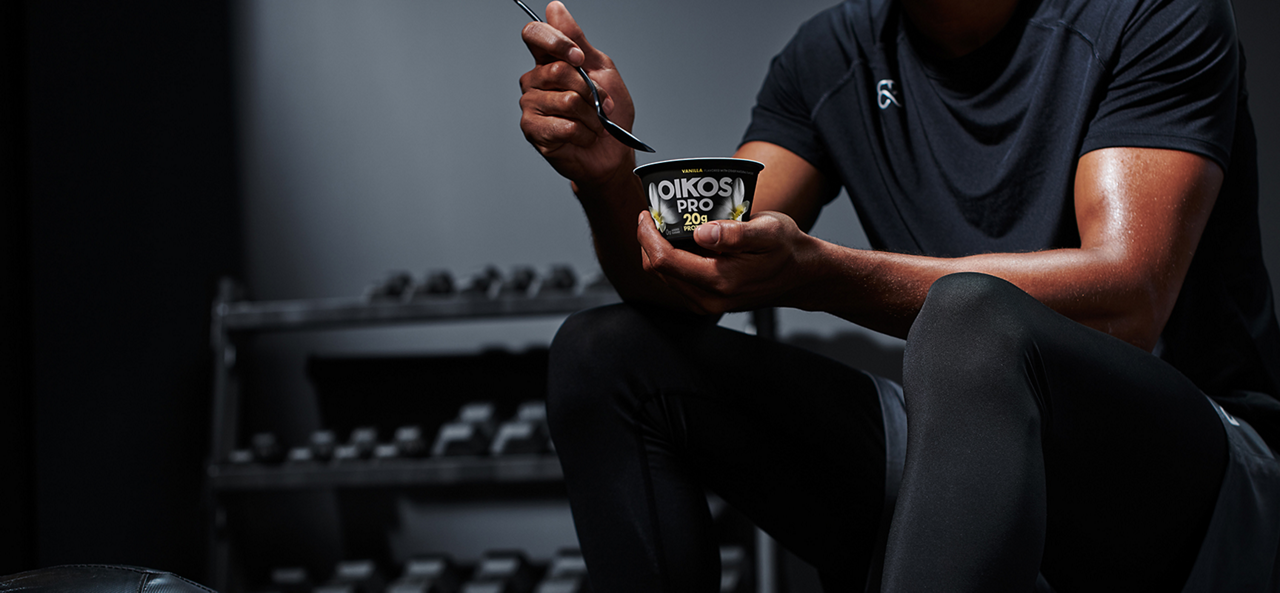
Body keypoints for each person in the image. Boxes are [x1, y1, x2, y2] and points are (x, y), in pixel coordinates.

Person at [517, 0, 1280, 589]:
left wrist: (822, 274)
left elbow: (1128, 298)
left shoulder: (1148, 12)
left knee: (967, 315)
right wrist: (608, 177)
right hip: (959, 446)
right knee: (606, 353)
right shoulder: (830, 54)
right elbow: (699, 274)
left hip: (1196, 486)